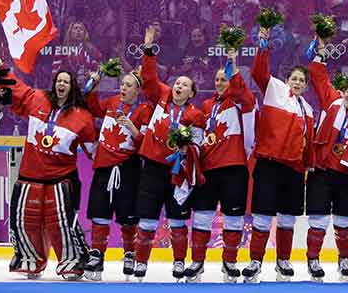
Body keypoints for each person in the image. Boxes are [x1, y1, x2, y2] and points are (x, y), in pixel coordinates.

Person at [2, 61, 97, 280]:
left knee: (62, 224)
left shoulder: (83, 116)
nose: (61, 84)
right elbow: (18, 88)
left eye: (66, 82)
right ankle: (30, 261)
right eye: (59, 81)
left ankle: (72, 262)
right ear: (54, 84)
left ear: (72, 87)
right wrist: (3, 72)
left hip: (61, 179)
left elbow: (92, 149)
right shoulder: (38, 98)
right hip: (30, 175)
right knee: (26, 221)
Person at [132, 23, 206, 281]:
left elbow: (198, 146)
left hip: (178, 173)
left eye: (184, 85)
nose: (178, 86)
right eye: (177, 83)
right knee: (147, 219)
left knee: (177, 221)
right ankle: (141, 262)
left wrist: (186, 147)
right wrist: (148, 49)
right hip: (153, 168)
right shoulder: (162, 97)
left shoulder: (196, 115)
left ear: (191, 93)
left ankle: (178, 262)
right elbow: (149, 77)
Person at [245, 23, 316, 282]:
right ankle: (255, 262)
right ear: (287, 80)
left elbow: (308, 142)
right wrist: (262, 46)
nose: (297, 82)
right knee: (263, 217)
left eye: (301, 81)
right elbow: (258, 72)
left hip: (294, 170)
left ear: (306, 86)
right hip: (270, 165)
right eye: (294, 78)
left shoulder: (308, 109)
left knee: (287, 219)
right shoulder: (274, 89)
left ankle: (283, 261)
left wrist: (308, 166)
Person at [188, 47, 255, 282]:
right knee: (202, 216)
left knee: (233, 218)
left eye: (224, 79)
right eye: (217, 79)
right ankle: (197, 262)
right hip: (208, 169)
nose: (219, 83)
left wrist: (232, 63)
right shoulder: (206, 105)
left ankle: (230, 262)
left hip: (234, 167)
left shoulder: (241, 102)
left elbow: (241, 91)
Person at [304, 41, 348, 282]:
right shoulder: (331, 101)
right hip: (322, 172)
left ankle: (343, 259)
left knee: (343, 223)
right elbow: (317, 75)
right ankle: (313, 260)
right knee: (318, 221)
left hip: (347, 175)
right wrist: (321, 51)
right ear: (343, 92)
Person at [81, 63, 148, 281]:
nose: (123, 88)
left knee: (128, 215)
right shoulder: (112, 102)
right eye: (122, 84)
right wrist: (95, 83)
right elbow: (92, 107)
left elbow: (145, 143)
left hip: (128, 168)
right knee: (100, 211)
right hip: (104, 166)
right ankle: (97, 255)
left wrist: (132, 128)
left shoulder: (144, 110)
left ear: (137, 90)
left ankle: (129, 253)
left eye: (128, 85)